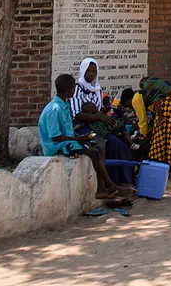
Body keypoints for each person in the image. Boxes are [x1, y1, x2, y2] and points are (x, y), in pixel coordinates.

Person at [39, 73, 131, 203]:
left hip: (66, 142)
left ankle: (102, 188)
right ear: (70, 90)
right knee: (93, 152)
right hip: (55, 146)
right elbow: (56, 137)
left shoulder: (63, 105)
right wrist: (80, 140)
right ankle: (108, 186)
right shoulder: (55, 108)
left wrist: (81, 137)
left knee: (98, 147)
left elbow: (68, 131)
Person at [141, 77, 171, 173]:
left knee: (162, 137)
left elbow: (157, 103)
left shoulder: (154, 91)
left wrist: (160, 117)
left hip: (166, 111)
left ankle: (161, 163)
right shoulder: (163, 89)